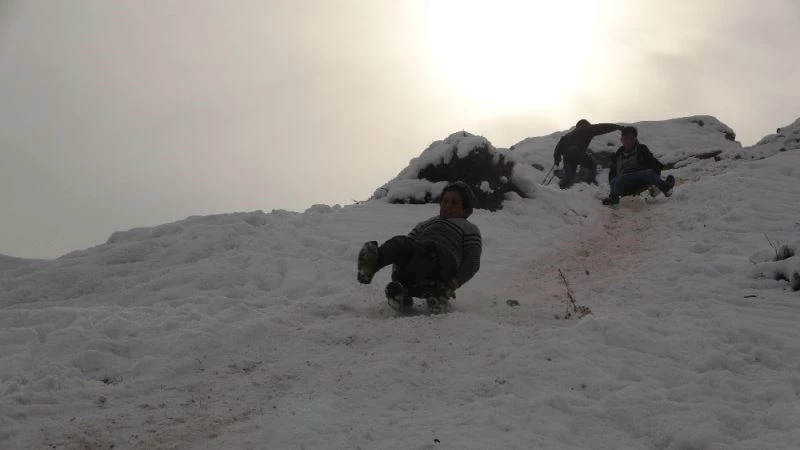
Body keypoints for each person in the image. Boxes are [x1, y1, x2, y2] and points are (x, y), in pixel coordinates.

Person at [356, 181, 482, 313]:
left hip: (443, 264)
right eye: (445, 201)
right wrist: (398, 263)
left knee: (429, 249)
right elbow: (408, 245)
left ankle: (423, 292)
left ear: (466, 210)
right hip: (419, 261)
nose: (448, 205)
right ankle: (374, 263)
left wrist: (454, 283)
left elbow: (472, 261)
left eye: (454, 203)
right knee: (401, 241)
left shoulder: (469, 228)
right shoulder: (426, 223)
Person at [602, 126, 675, 206]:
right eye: (626, 139)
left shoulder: (641, 149)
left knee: (648, 173)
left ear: (635, 139)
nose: (629, 141)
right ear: (621, 140)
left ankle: (666, 189)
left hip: (640, 179)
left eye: (631, 138)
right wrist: (613, 186)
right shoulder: (617, 155)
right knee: (615, 180)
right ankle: (613, 199)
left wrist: (655, 176)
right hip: (623, 182)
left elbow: (652, 163)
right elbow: (612, 175)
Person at [553, 119, 624, 189]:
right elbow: (603, 127)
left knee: (569, 176)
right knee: (592, 165)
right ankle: (591, 183)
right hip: (576, 152)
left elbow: (558, 149)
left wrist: (557, 160)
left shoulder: (567, 135)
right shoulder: (587, 128)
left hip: (567, 156)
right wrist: (618, 127)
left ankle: (559, 189)